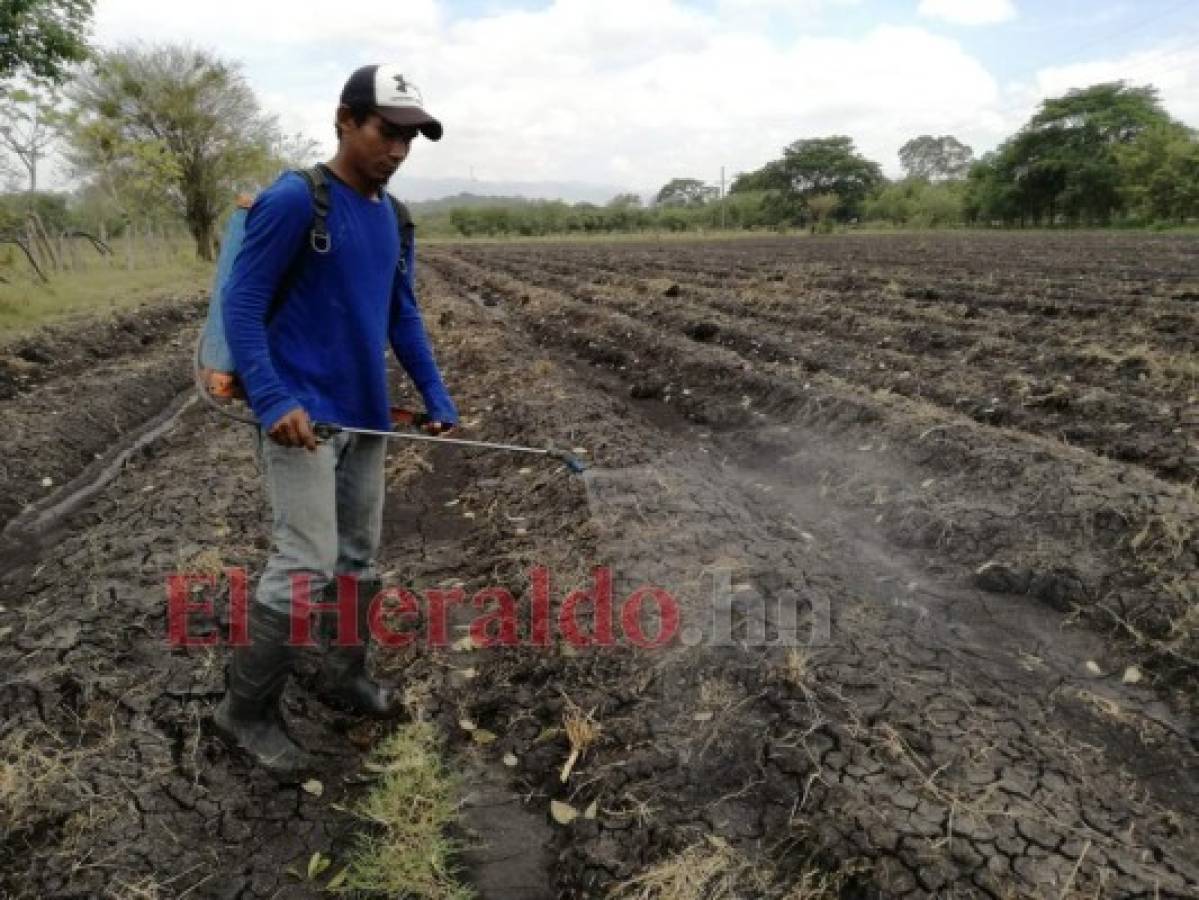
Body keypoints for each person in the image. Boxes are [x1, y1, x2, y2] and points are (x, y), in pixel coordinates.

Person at [213, 65, 458, 778]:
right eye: (387, 132)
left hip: (365, 417)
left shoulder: (394, 217)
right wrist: (271, 399)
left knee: (358, 559)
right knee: (305, 562)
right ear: (346, 120)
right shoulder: (298, 200)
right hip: (301, 418)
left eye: (411, 138)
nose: (398, 150)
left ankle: (344, 676)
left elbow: (401, 312)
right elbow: (242, 304)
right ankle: (244, 713)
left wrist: (434, 391)